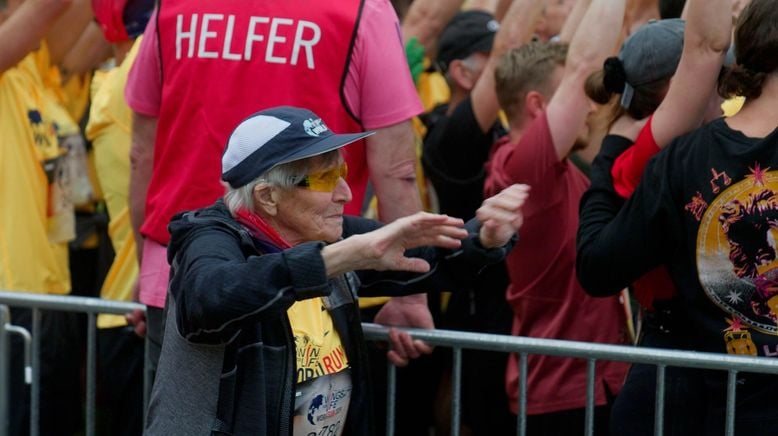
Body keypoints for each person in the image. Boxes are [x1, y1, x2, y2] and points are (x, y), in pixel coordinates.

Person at [143, 106, 528, 436]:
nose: (344, 192)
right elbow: (210, 297)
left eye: (342, 172)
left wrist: (486, 237)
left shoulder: (325, 233)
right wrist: (336, 259)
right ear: (268, 197)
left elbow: (428, 254)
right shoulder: (211, 237)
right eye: (326, 178)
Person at [125, 0, 432, 376]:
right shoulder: (361, 10)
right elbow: (396, 168)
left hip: (186, 273)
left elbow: (142, 153)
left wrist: (151, 271)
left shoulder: (175, 6)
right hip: (311, 273)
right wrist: (410, 291)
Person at [576, 0, 778, 433]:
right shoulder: (678, 157)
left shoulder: (680, 158)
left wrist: (606, 169)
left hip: (700, 389)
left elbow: (599, 268)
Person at [484, 0, 630, 433]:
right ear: (536, 105)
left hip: (594, 384)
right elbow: (583, 63)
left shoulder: (552, 165)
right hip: (564, 396)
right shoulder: (524, 168)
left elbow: (570, 56)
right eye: (576, 95)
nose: (590, 107)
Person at [419, 3, 542, 434]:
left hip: (505, 308)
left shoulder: (502, 130)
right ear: (463, 73)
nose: (508, 66)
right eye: (493, 61)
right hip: (474, 310)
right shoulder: (449, 135)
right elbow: (511, 49)